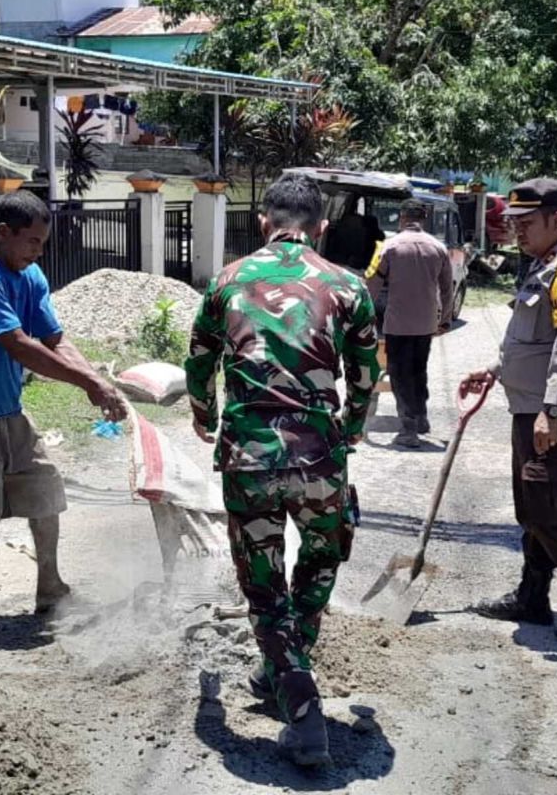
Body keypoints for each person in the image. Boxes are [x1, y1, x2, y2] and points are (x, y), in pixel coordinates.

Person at [185, 173, 379, 767]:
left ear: (264, 223)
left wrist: (205, 416)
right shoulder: (348, 285)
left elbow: (199, 359)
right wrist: (346, 430)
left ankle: (290, 687)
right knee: (322, 556)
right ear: (320, 228)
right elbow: (368, 375)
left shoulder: (226, 281)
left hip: (249, 458)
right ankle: (293, 675)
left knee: (264, 586)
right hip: (319, 457)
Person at [0, 191, 126, 642]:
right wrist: (89, 384)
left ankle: (50, 588)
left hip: (5, 410)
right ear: (2, 233)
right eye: (30, 241)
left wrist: (98, 380)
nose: (37, 251)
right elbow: (16, 343)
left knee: (46, 489)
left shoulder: (30, 275)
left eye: (42, 243)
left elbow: (54, 339)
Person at [459, 178, 557, 644]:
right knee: (529, 510)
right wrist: (493, 369)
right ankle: (533, 597)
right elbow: (534, 340)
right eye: (514, 224)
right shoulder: (542, 264)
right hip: (529, 411)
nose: (517, 233)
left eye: (527, 224)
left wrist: (551, 410)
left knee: (546, 508)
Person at [366, 198, 453, 448]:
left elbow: (371, 285)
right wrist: (444, 320)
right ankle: (421, 417)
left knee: (400, 375)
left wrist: (364, 317)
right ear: (423, 219)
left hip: (397, 324)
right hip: (425, 324)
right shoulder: (438, 248)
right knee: (419, 370)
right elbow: (447, 290)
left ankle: (409, 429)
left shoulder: (387, 247)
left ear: (402, 218)